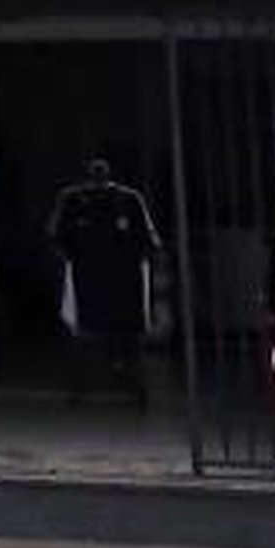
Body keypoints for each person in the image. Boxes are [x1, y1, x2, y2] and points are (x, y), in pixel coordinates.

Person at [49, 154, 160, 410]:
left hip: (119, 282)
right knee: (89, 338)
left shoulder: (129, 200)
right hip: (92, 281)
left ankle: (134, 388)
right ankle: (83, 389)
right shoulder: (73, 199)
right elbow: (55, 238)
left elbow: (149, 242)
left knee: (119, 340)